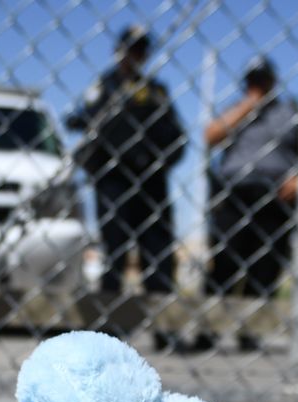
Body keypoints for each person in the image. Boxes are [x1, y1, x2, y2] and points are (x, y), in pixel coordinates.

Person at [65, 26, 187, 323]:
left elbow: (177, 136)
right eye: (130, 49)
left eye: (141, 50)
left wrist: (160, 161)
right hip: (114, 179)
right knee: (114, 250)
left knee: (157, 252)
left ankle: (163, 323)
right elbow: (80, 119)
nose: (135, 56)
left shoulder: (156, 92)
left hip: (151, 181)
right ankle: (108, 321)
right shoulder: (105, 87)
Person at [203, 57, 298, 350]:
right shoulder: (235, 111)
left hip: (275, 197)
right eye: (252, 82)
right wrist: (249, 105)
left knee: (265, 267)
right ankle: (208, 329)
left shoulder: (291, 112)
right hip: (235, 193)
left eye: (262, 82)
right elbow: (210, 135)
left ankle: (251, 331)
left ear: (273, 82)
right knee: (224, 263)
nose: (257, 87)